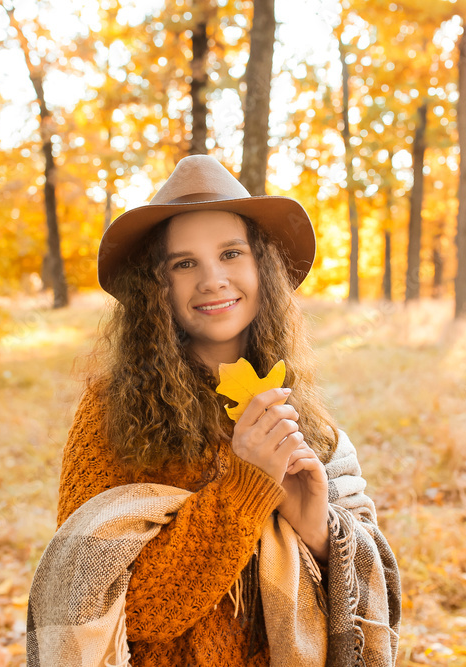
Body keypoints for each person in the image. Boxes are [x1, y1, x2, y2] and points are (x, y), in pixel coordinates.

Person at [34, 154, 399, 666]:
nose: (212, 279)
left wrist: (318, 531)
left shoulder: (303, 414)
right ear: (155, 287)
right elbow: (116, 607)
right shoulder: (111, 411)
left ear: (262, 267)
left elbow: (361, 585)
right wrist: (244, 490)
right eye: (184, 263)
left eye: (231, 253)